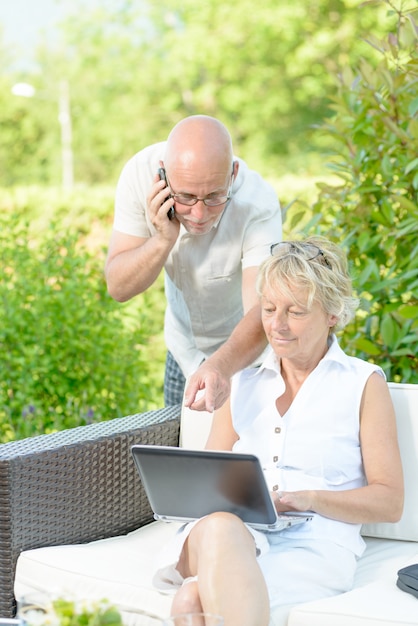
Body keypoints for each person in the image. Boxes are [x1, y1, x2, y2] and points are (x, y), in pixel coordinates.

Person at [152, 237, 404, 626]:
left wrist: (307, 498)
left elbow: (389, 502)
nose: (277, 325)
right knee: (220, 526)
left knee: (191, 602)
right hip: (227, 535)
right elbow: (206, 480)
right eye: (268, 309)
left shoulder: (362, 384)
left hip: (313, 546)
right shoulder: (242, 383)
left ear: (333, 313)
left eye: (296, 312)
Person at [105, 115, 281, 409]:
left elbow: (261, 312)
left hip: (247, 354)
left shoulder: (258, 203)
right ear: (163, 176)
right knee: (182, 451)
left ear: (233, 175)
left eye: (214, 197)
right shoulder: (138, 175)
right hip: (183, 349)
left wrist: (220, 367)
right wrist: (162, 239)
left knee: (241, 452)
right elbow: (118, 287)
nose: (199, 214)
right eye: (185, 197)